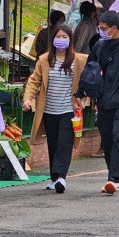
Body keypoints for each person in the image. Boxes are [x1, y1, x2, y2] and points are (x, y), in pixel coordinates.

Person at [75, 10, 119, 195]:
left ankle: (113, 179)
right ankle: (112, 175)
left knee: (117, 137)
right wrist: (80, 93)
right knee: (107, 140)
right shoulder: (99, 46)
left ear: (114, 28)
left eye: (104, 28)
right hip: (104, 101)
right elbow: (89, 71)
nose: (101, 31)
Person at [22, 24, 87, 194]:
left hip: (68, 110)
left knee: (64, 143)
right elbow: (34, 81)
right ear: (53, 40)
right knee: (52, 143)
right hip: (48, 110)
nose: (61, 40)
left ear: (70, 40)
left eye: (65, 37)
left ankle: (61, 178)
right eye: (58, 37)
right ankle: (54, 177)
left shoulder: (79, 60)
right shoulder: (44, 60)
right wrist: (28, 98)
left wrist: (83, 98)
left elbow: (88, 81)